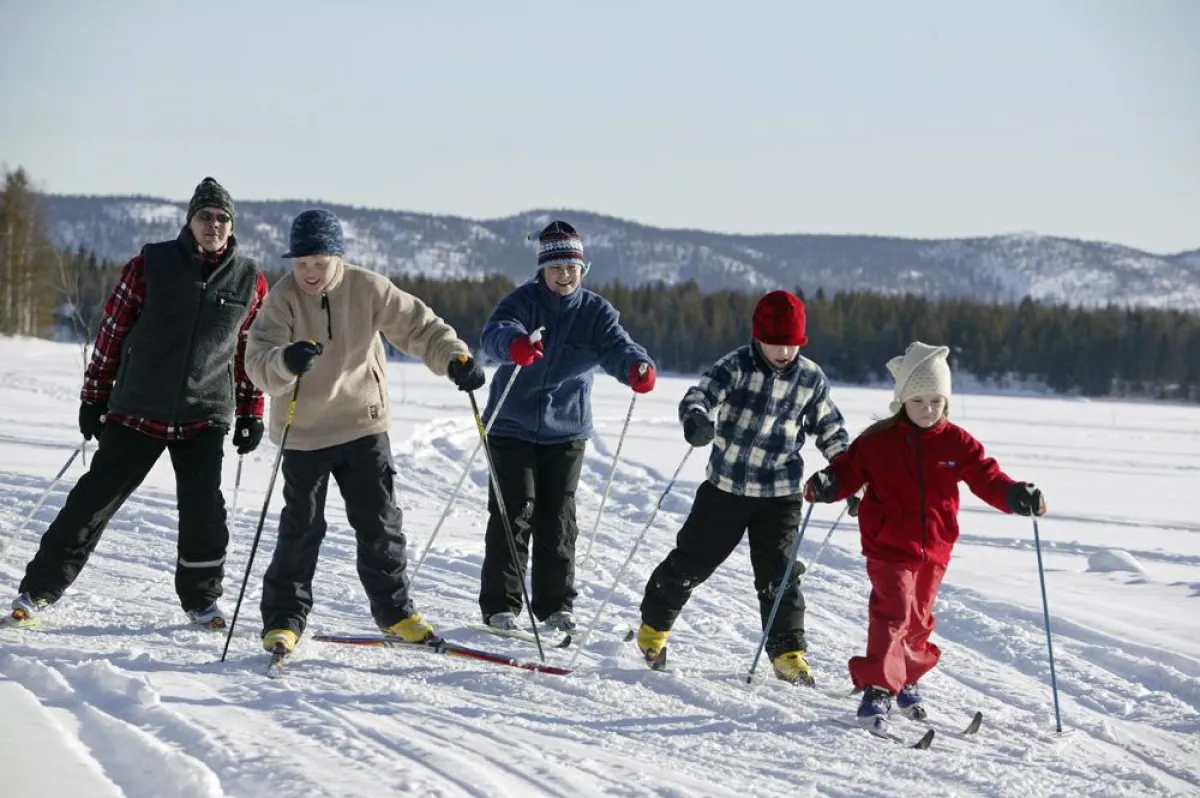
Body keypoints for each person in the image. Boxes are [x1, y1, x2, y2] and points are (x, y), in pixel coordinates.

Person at [6, 177, 268, 629]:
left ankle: (202, 602)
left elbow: (248, 353)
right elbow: (110, 335)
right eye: (205, 216)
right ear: (189, 220)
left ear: (232, 226)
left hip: (205, 411)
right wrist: (94, 397)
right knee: (92, 503)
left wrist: (251, 412)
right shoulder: (149, 265)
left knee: (205, 511)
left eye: (222, 218)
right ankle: (38, 592)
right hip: (138, 406)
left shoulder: (250, 280)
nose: (214, 224)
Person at [244, 209, 486, 655]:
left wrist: (454, 358)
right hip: (305, 431)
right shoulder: (282, 300)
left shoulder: (368, 287)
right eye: (301, 264)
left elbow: (421, 327)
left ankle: (395, 614)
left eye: (319, 263)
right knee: (301, 529)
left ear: (338, 257)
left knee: (380, 525)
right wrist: (286, 361)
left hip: (363, 423)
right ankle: (282, 621)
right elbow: (258, 361)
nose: (310, 274)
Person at [804, 341, 1047, 726]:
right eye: (918, 401)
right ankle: (879, 688)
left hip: (934, 546)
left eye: (936, 401)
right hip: (888, 545)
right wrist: (829, 484)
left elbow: (987, 477)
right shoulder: (878, 442)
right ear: (902, 401)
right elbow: (849, 471)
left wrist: (1016, 495)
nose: (928, 409)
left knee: (918, 619)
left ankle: (908, 677)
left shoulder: (956, 442)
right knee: (893, 613)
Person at [636, 290, 849, 685]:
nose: (784, 351)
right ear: (758, 336)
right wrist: (696, 419)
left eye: (793, 344)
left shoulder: (810, 378)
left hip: (780, 494)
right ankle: (653, 628)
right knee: (693, 562)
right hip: (726, 489)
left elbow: (832, 430)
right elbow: (698, 396)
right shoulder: (735, 366)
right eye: (776, 343)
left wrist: (848, 474)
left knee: (779, 577)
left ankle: (788, 652)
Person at [476, 220, 656, 633]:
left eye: (571, 267)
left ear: (582, 268)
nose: (564, 275)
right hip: (511, 426)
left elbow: (618, 346)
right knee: (513, 511)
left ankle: (556, 606)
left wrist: (636, 367)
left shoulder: (595, 312)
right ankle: (500, 607)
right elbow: (494, 335)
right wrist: (516, 345)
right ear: (542, 269)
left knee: (558, 518)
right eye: (556, 267)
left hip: (566, 430)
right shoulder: (521, 302)